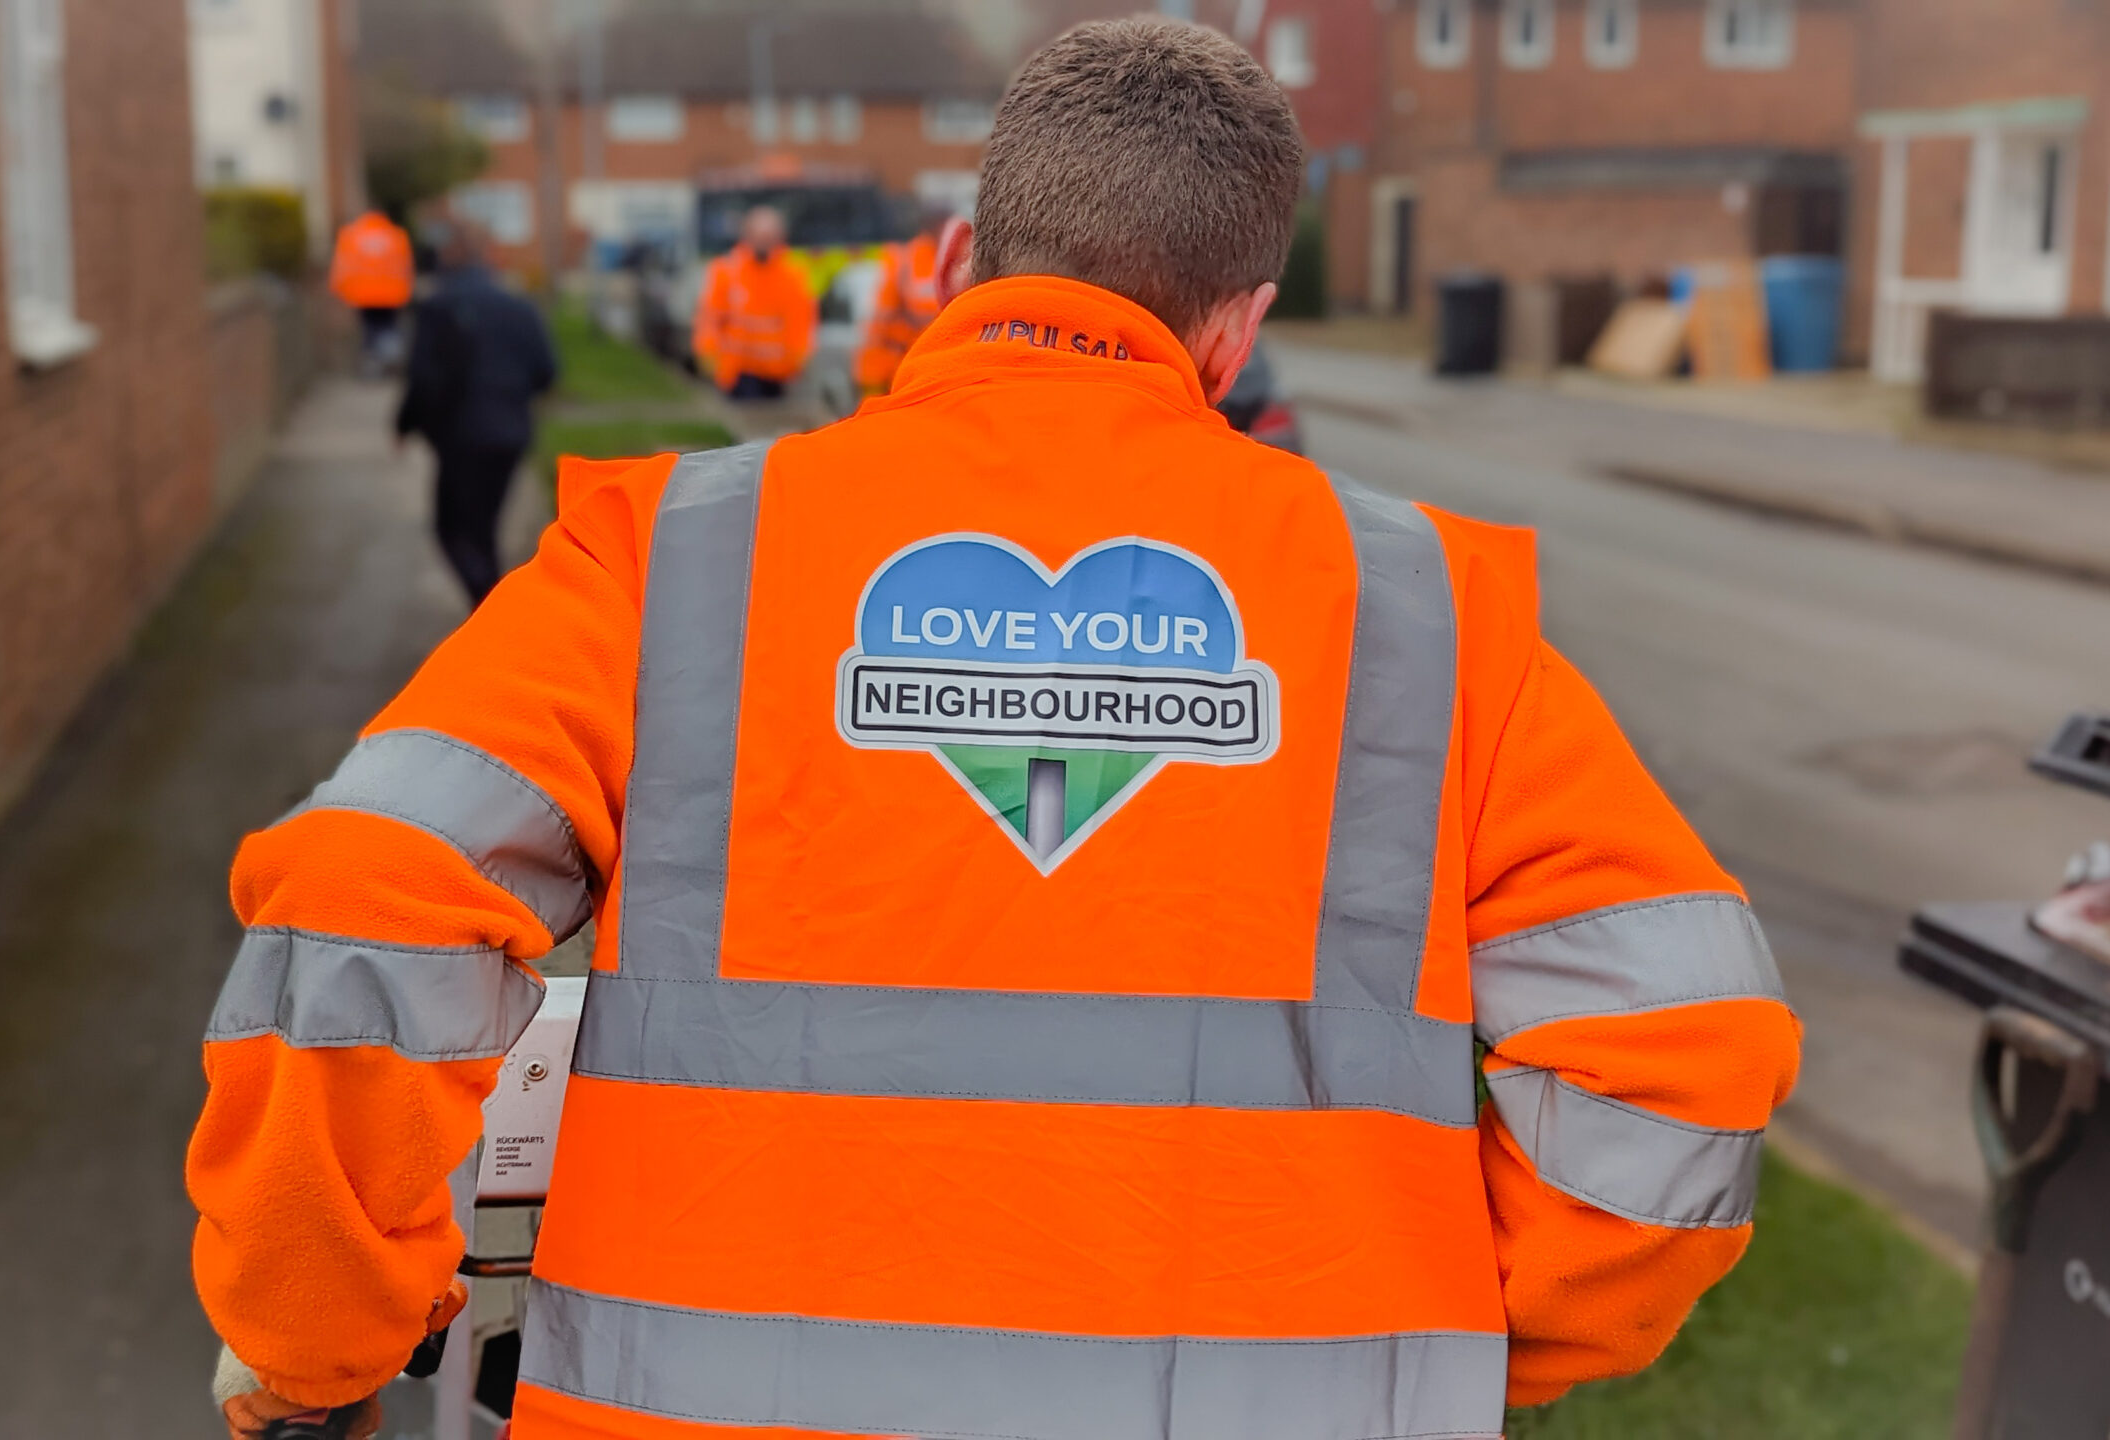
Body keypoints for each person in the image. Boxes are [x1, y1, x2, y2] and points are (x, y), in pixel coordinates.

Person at [190, 19, 1800, 1440]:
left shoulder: (677, 560)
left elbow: (358, 913)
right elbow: (1685, 1048)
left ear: (960, 263)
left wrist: (314, 1344)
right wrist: (1469, 1333)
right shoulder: (1428, 617)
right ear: (1236, 331)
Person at [391, 221, 558, 607]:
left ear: (450, 257)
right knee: (483, 529)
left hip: (461, 438)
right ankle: (492, 610)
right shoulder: (519, 307)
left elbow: (423, 379)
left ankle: (491, 610)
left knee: (451, 529)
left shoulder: (437, 307)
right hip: (511, 435)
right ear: (488, 258)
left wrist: (405, 424)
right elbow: (547, 371)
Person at [690, 205, 816, 400]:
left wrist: (800, 356)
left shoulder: (793, 273)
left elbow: (801, 319)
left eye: (768, 237)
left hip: (779, 372)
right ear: (747, 235)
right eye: (759, 236)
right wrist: (707, 351)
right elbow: (710, 317)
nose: (763, 243)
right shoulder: (727, 270)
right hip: (738, 371)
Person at [851, 203, 951, 399]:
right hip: (891, 365)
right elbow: (888, 314)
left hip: (922, 365)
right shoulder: (906, 259)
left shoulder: (948, 259)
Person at [328, 209, 416, 375]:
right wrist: (407, 291)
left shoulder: (351, 236)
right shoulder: (396, 235)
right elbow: (406, 266)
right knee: (388, 327)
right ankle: (390, 357)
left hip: (362, 294)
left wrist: (338, 291)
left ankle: (374, 362)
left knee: (370, 329)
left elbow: (342, 266)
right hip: (392, 294)